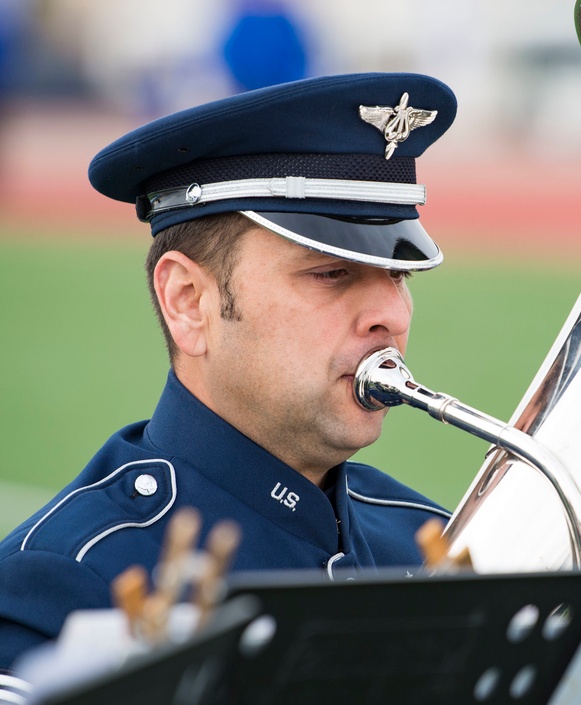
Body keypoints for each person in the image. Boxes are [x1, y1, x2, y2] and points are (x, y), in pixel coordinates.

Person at [0, 72, 457, 676]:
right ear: (188, 301)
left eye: (398, 274)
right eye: (331, 273)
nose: (391, 315)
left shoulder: (434, 541)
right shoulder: (64, 582)